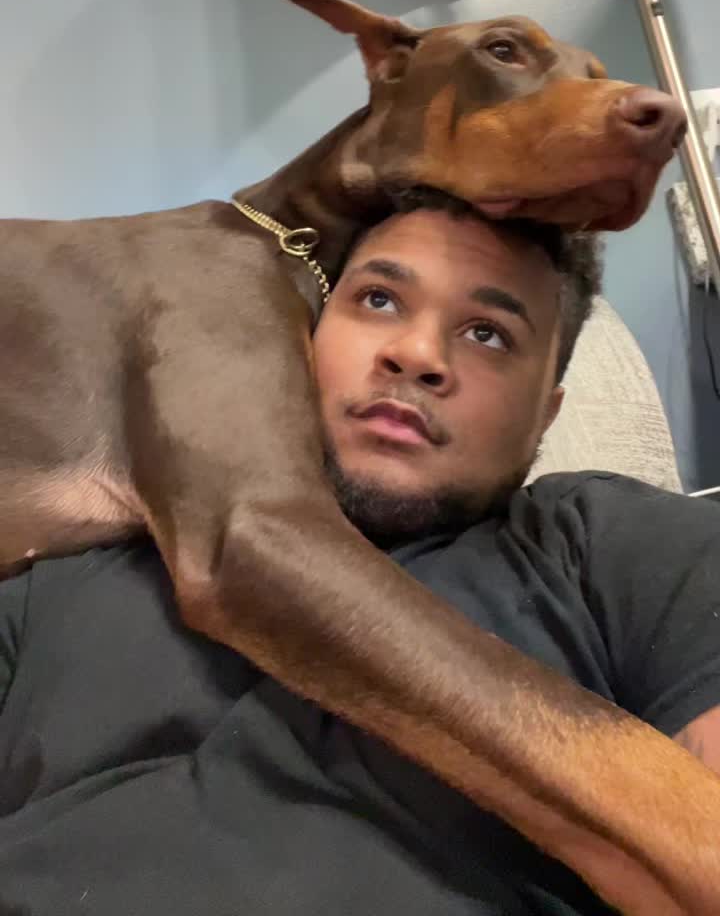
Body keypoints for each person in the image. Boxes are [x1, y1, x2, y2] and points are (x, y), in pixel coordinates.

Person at [1, 189, 719, 916]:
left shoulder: (612, 544)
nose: (416, 355)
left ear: (546, 415)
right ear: (299, 332)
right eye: (379, 299)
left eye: (488, 334)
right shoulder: (62, 579)